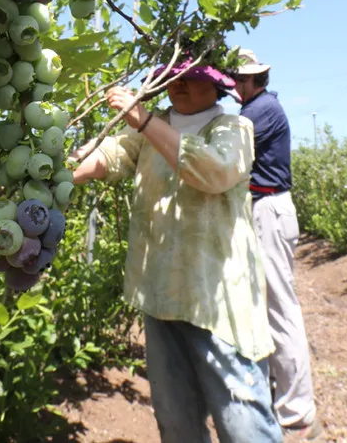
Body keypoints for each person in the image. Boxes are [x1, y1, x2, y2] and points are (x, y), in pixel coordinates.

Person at [71, 60, 283, 443]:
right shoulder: (148, 132)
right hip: (161, 296)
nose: (180, 85)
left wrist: (145, 121)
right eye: (174, 77)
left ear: (217, 87)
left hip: (219, 303)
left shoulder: (234, 128)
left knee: (244, 426)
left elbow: (215, 171)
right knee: (177, 423)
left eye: (193, 78)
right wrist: (62, 169)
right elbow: (111, 155)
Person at [234, 50, 321, 442]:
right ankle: (279, 397)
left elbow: (229, 142)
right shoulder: (260, 107)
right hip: (262, 209)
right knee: (265, 307)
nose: (233, 85)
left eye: (237, 79)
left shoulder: (262, 109)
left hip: (268, 209)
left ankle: (297, 410)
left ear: (252, 80)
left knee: (279, 310)